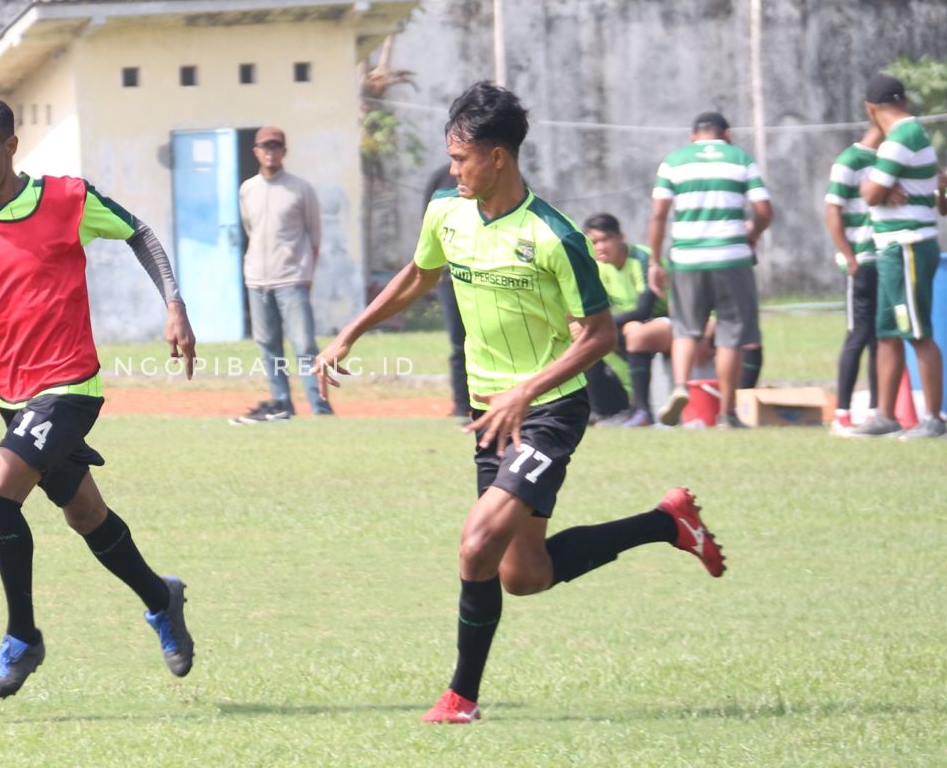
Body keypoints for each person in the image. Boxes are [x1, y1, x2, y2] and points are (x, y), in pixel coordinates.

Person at [310, 82, 726, 724]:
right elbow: (418, 277)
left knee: (476, 545)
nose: (453, 171)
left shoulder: (555, 236)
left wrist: (525, 391)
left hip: (550, 409)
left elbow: (600, 336)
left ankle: (460, 699)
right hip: (490, 412)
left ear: (498, 156)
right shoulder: (447, 214)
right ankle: (667, 523)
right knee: (523, 575)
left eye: (461, 158)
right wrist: (350, 331)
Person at [0, 97, 197, 699]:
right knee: (85, 515)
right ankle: (162, 598)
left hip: (69, 387)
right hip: (10, 392)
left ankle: (22, 637)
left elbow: (141, 234)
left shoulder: (67, 199)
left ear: (10, 147)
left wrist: (175, 306)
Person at [647, 111, 773, 428]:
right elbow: (763, 210)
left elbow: (659, 215)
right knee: (731, 334)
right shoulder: (740, 158)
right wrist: (753, 234)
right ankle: (727, 413)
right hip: (731, 256)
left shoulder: (674, 161)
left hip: (686, 257)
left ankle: (679, 387)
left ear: (693, 136)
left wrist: (654, 260)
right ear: (726, 134)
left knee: (686, 328)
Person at [851, 74, 944, 439]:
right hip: (893, 247)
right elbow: (877, 189)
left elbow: (870, 193)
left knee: (917, 332)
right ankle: (885, 415)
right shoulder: (907, 137)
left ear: (870, 109)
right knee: (887, 331)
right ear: (904, 99)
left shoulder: (900, 139)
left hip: (907, 245)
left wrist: (877, 186)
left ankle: (933, 418)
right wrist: (879, 186)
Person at [230, 125, 331, 424]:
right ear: (256, 152)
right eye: (265, 147)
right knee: (268, 345)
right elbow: (251, 230)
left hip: (292, 278)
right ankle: (282, 405)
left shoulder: (300, 188)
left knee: (304, 346)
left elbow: (314, 236)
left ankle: (320, 407)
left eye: (276, 147)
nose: (270, 152)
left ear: (284, 152)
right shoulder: (247, 189)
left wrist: (306, 274)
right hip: (257, 280)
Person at [582, 213, 673, 428]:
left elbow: (644, 310)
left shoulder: (643, 259)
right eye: (594, 242)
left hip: (670, 320)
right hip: (632, 324)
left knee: (632, 330)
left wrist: (603, 323)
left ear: (621, 237)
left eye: (605, 240)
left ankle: (642, 410)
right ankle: (597, 411)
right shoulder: (600, 267)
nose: (600, 247)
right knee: (582, 336)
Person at [823, 124, 883, 435]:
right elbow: (831, 209)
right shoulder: (850, 160)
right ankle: (842, 413)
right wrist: (848, 255)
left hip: (884, 257)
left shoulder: (889, 158)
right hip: (860, 260)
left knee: (880, 338)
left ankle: (876, 410)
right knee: (857, 335)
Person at [425, 165, 471, 417]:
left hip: (491, 276)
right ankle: (462, 405)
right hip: (450, 278)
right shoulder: (440, 179)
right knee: (458, 345)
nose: (456, 168)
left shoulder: (506, 176)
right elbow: (429, 226)